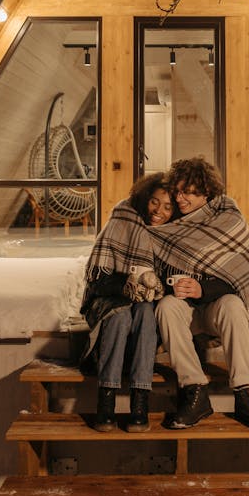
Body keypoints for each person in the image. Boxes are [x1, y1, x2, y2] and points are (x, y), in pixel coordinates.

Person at [153, 157, 249, 433]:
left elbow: (239, 275)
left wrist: (202, 288)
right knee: (166, 307)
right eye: (177, 191)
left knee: (234, 305)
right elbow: (152, 266)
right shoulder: (170, 221)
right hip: (184, 310)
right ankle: (195, 390)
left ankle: (245, 394)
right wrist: (170, 283)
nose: (179, 197)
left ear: (206, 191)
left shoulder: (228, 218)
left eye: (187, 191)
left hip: (214, 307)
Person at [79, 173, 173, 432]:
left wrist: (156, 288)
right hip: (110, 297)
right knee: (120, 315)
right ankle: (105, 401)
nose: (159, 211)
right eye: (155, 202)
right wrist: (126, 286)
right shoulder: (124, 215)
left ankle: (139, 402)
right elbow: (97, 279)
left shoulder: (173, 232)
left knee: (144, 314)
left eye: (167, 207)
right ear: (145, 198)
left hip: (146, 303)